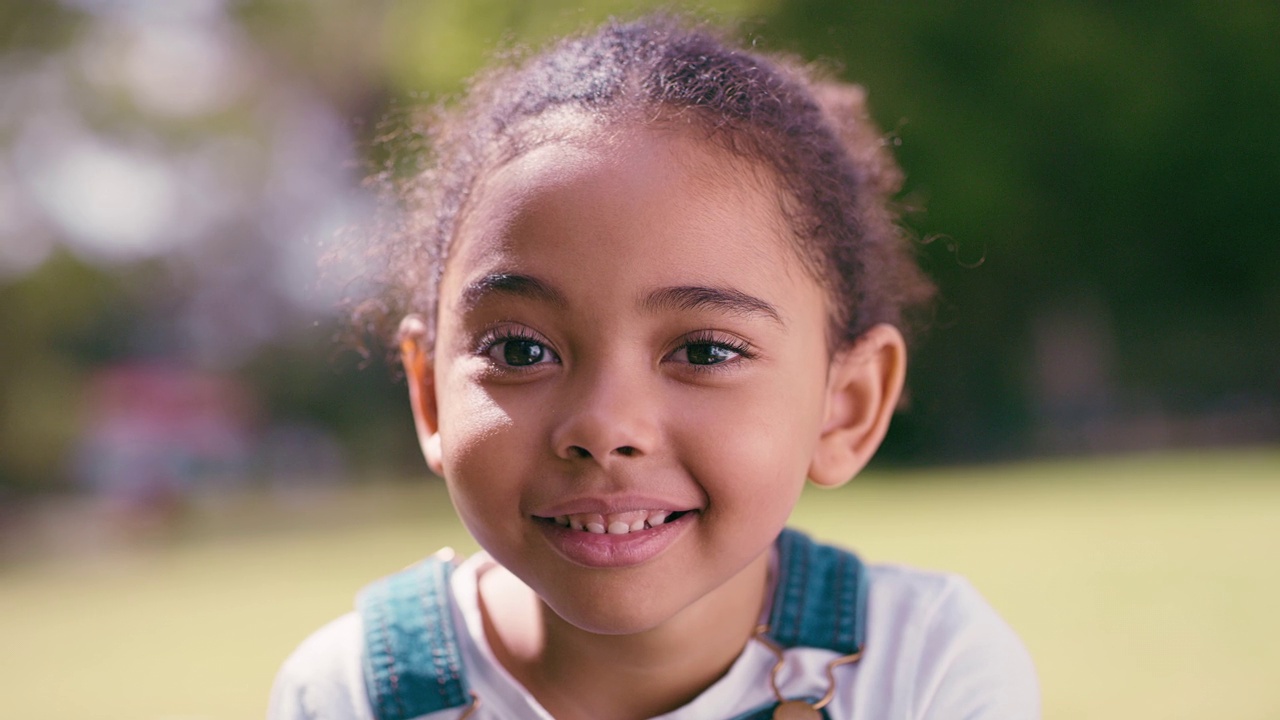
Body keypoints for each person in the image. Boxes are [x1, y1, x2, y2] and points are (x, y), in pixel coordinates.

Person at [270, 14, 1039, 720]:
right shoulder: (351, 694)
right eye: (519, 351)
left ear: (847, 404)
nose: (604, 426)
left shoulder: (925, 670)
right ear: (431, 393)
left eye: (704, 352)